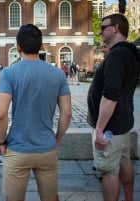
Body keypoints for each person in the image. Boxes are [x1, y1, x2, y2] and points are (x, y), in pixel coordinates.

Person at [0, 24, 72, 201]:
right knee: (51, 198)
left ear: (18, 47)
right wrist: (57, 140)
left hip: (17, 148)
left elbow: (0, 114)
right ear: (41, 46)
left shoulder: (9, 73)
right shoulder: (58, 74)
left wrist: (1, 142)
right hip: (46, 148)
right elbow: (66, 113)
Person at [87, 14, 139, 201]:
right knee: (124, 163)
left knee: (109, 171)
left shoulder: (117, 55)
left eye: (103, 27)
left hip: (110, 128)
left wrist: (99, 129)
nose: (100, 31)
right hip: (121, 125)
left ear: (116, 28)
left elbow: (110, 96)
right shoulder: (130, 53)